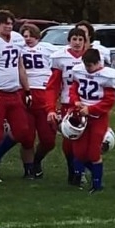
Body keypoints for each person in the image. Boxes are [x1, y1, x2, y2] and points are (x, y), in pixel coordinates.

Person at [0, 9, 33, 183]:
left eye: (11, 23)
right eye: (5, 23)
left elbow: (20, 66)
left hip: (14, 91)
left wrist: (27, 89)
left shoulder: (17, 39)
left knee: (22, 131)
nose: (9, 26)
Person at [68, 49, 115, 193]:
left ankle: (97, 184)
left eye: (90, 65)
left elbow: (109, 101)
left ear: (98, 62)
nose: (88, 69)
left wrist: (91, 110)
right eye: (86, 65)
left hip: (98, 118)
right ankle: (77, 177)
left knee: (93, 153)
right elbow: (73, 89)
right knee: (79, 150)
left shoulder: (107, 76)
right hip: (81, 115)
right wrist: (76, 102)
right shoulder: (80, 71)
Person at [44, 27, 87, 183]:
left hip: (87, 105)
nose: (77, 43)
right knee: (69, 143)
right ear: (69, 41)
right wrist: (50, 108)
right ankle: (73, 171)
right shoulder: (60, 57)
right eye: (74, 39)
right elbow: (52, 86)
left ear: (85, 42)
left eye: (80, 39)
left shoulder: (92, 57)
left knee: (86, 141)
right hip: (68, 104)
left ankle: (80, 172)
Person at [19, 23, 58, 179]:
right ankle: (28, 169)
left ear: (37, 35)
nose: (27, 39)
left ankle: (37, 161)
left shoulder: (48, 48)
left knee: (49, 140)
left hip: (44, 95)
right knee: (27, 137)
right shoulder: (18, 49)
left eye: (30, 35)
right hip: (25, 93)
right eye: (24, 36)